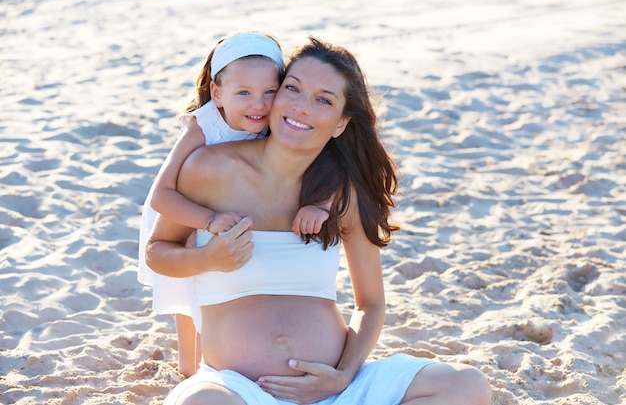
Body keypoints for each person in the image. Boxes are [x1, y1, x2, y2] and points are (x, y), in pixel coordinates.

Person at [146, 37, 492, 405]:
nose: (301, 106)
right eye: (292, 88)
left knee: (467, 385)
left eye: (323, 100)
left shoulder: (340, 191)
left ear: (342, 123)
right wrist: (206, 259)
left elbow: (370, 303)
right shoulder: (211, 168)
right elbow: (157, 251)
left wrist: (342, 377)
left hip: (340, 389)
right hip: (240, 391)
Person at [137, 32, 330, 378]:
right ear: (217, 92)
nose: (258, 105)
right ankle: (187, 367)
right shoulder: (202, 127)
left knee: (212, 288)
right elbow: (160, 196)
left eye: (269, 92)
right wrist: (207, 220)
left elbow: (326, 162)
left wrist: (322, 203)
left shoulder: (277, 123)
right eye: (243, 93)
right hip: (184, 207)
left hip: (224, 204)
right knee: (187, 286)